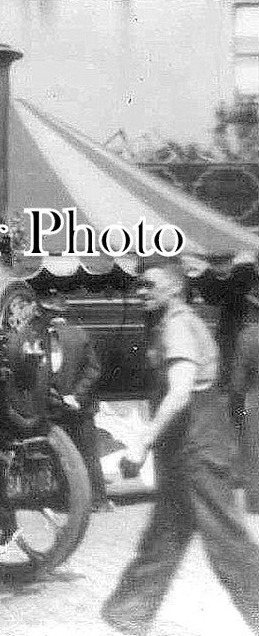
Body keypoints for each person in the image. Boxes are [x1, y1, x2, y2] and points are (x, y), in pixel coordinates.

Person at [101, 257, 259, 635]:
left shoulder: (176, 326)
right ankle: (128, 611)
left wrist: (142, 441)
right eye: (139, 285)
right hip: (192, 445)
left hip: (198, 446)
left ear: (174, 286)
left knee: (226, 541)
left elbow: (180, 392)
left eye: (149, 284)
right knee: (165, 534)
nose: (141, 291)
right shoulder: (177, 322)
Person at [46, 308, 112, 512]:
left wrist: (54, 395)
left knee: (60, 455)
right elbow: (94, 369)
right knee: (89, 454)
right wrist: (77, 395)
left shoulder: (40, 337)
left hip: (54, 406)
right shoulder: (80, 334)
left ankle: (66, 501)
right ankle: (99, 501)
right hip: (81, 407)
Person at [230, 288, 259, 515]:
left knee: (254, 452)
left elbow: (238, 381)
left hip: (255, 400)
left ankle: (256, 502)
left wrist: (235, 399)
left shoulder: (248, 336)